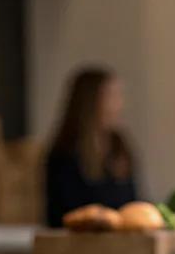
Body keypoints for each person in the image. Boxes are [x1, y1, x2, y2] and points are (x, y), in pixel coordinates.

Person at [44, 67, 139, 226]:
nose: (119, 105)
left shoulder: (119, 146)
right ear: (90, 101)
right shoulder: (65, 154)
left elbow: (133, 203)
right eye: (111, 96)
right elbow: (64, 214)